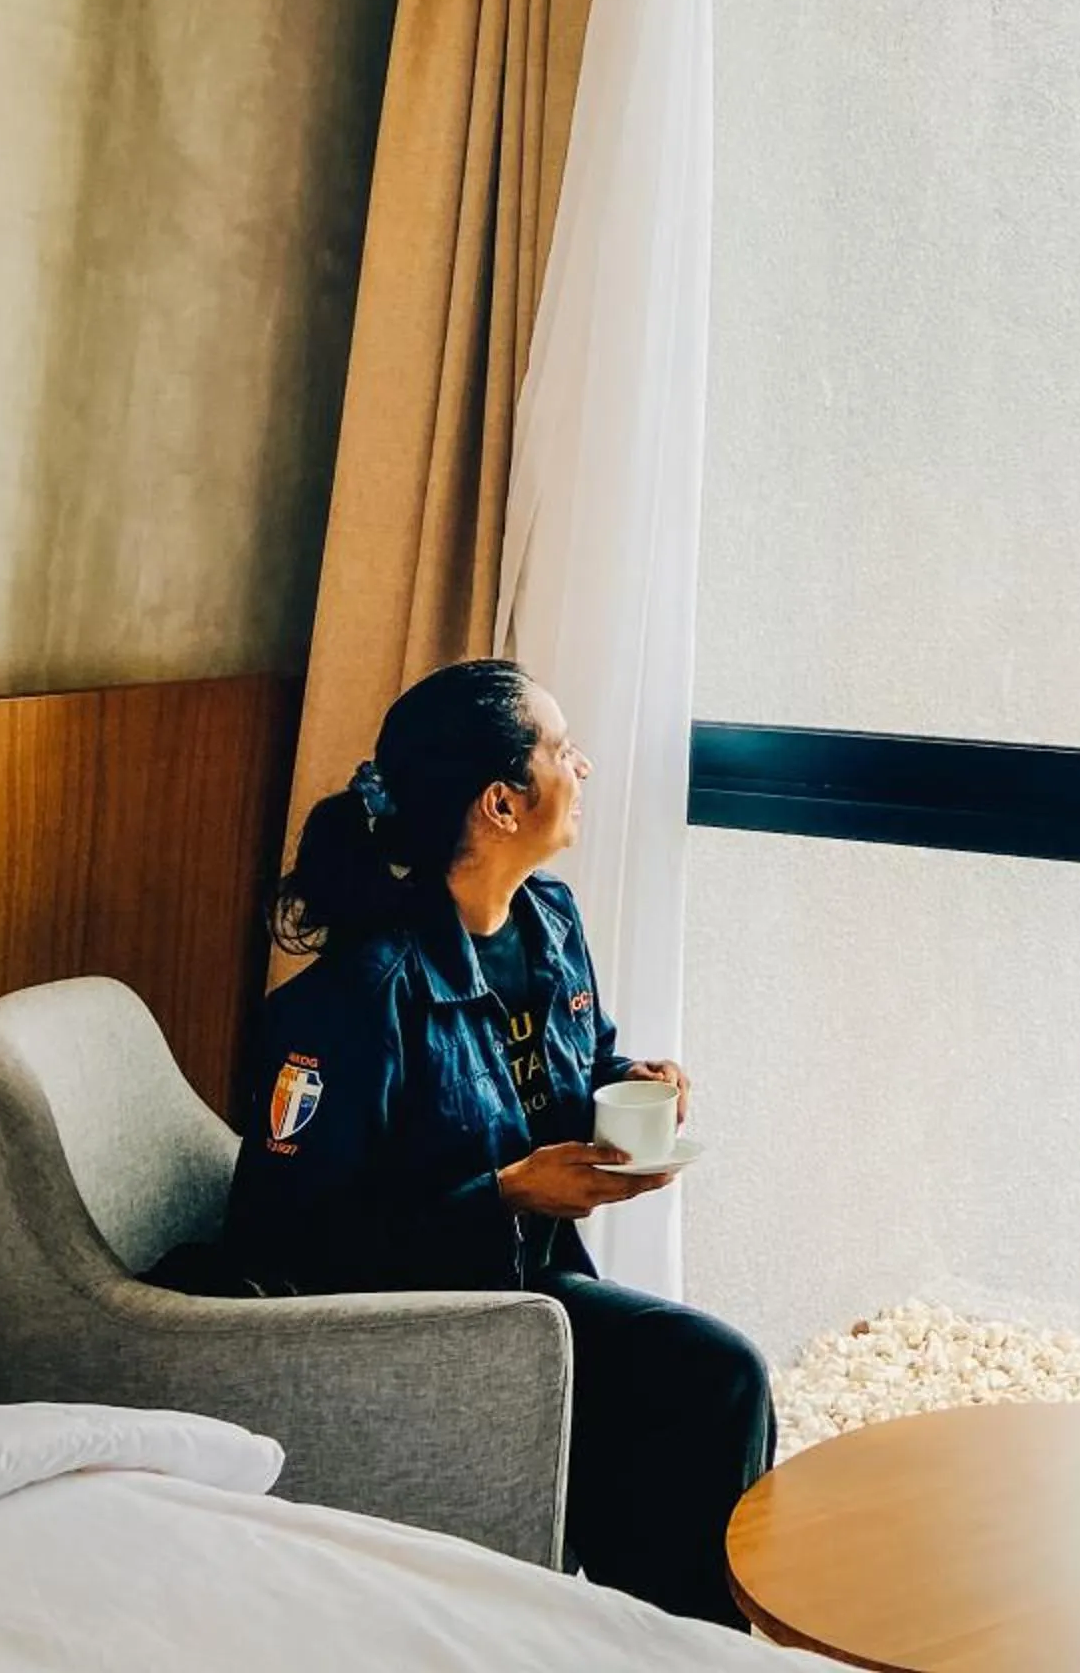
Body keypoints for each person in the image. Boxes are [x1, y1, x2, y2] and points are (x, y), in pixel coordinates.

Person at [223, 657, 773, 1627]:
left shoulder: (548, 921)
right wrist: (508, 1195)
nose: (585, 767)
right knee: (714, 1374)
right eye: (562, 751)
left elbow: (573, 1063)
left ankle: (644, 1640)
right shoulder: (356, 1002)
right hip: (432, 1325)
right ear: (501, 804)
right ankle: (674, 1645)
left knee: (687, 1400)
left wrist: (633, 1083)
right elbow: (287, 1246)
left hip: (535, 1297)